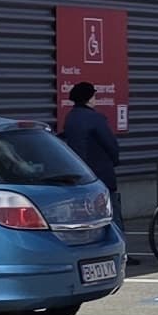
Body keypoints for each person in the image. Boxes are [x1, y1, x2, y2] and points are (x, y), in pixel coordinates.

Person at [59, 75, 125, 262]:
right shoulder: (95, 118)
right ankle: (121, 251)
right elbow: (110, 144)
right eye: (94, 96)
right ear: (89, 98)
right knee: (112, 213)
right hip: (101, 172)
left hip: (79, 174)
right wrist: (114, 160)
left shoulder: (71, 118)